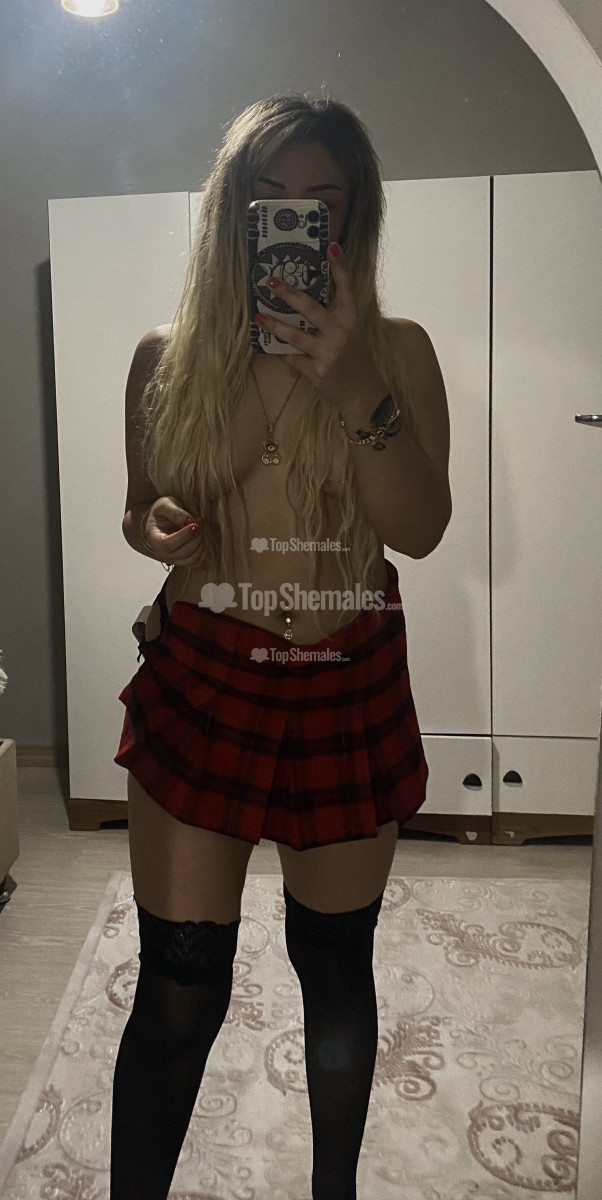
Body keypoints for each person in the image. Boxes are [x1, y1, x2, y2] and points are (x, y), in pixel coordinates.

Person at [110, 90, 441, 1200]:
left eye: (322, 203)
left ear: (352, 222)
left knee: (336, 970)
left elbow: (420, 530)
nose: (296, 220)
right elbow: (147, 504)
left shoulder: (398, 354)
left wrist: (349, 382)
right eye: (270, 200)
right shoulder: (166, 357)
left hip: (348, 679)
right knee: (180, 987)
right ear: (232, 216)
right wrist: (152, 523)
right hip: (206, 675)